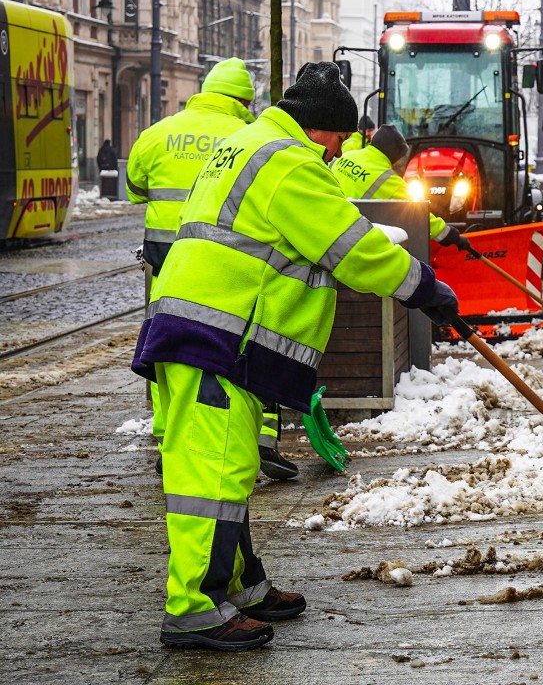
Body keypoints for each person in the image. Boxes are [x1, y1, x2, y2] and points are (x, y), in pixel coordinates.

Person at [130, 61, 459, 651]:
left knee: (228, 469)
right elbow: (351, 249)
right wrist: (426, 289)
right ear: (321, 130)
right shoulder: (288, 162)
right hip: (215, 338)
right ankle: (192, 608)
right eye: (337, 143)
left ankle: (242, 585)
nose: (337, 157)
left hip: (210, 332)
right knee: (209, 477)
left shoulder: (252, 144)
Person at [124, 59, 297, 480]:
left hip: (166, 260)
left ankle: (169, 435)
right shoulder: (247, 137)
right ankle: (257, 437)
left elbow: (134, 188)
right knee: (236, 345)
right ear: (243, 100)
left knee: (165, 345)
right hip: (222, 259)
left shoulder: (155, 134)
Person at [328, 123, 472, 252]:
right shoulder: (388, 180)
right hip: (350, 237)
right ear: (394, 155)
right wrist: (450, 235)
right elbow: (420, 214)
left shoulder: (347, 156)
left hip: (329, 220)